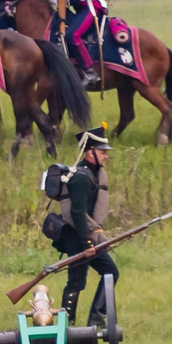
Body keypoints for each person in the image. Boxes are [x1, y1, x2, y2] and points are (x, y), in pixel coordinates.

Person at [50, 129, 117, 326]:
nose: (106, 155)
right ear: (90, 152)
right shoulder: (80, 177)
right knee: (76, 281)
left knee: (110, 272)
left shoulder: (91, 174)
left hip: (84, 235)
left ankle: (96, 319)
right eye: (102, 151)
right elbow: (77, 213)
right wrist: (87, 242)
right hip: (77, 236)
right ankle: (67, 323)